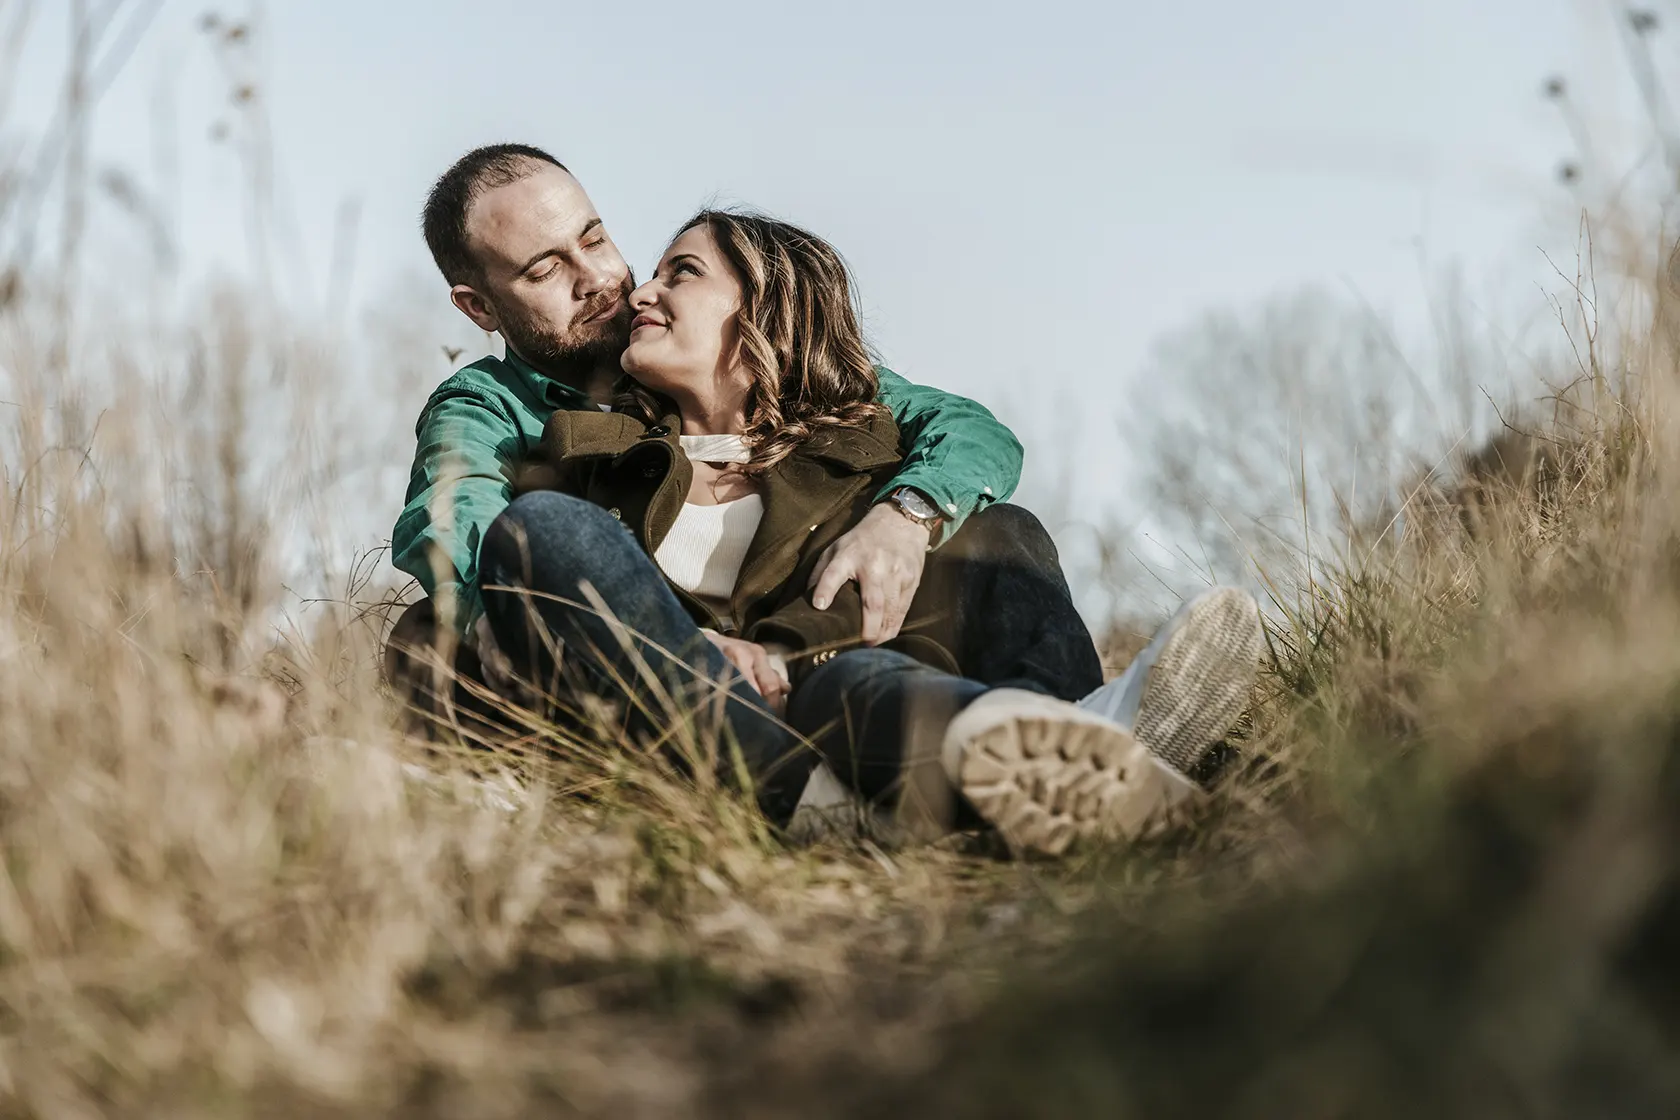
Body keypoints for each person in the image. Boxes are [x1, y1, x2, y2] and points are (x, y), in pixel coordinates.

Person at [478, 208, 1265, 856]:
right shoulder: (593, 457)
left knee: (977, 558)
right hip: (717, 735)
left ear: (768, 309)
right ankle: (834, 804)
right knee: (539, 528)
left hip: (863, 704)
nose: (640, 294)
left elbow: (978, 438)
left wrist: (906, 514)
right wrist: (684, 652)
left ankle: (1073, 741)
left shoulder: (869, 450)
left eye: (681, 272)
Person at [389, 144, 1022, 669]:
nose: (603, 280)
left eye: (595, 238)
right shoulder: (487, 409)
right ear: (479, 308)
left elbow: (961, 429)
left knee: (1001, 536)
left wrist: (906, 513)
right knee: (427, 642)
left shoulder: (721, 354)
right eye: (545, 270)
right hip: (628, 660)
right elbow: (458, 521)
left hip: (803, 646)